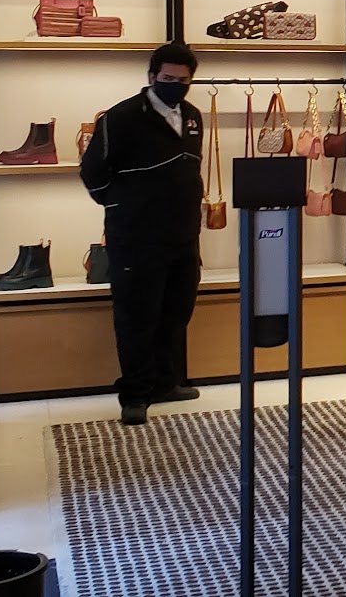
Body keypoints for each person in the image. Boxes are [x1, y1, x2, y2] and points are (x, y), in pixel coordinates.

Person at [80, 43, 206, 425]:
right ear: (152, 77)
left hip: (183, 235)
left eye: (182, 80)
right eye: (167, 78)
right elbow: (93, 171)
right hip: (135, 236)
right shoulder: (121, 117)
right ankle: (134, 395)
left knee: (176, 313)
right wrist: (123, 205)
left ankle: (165, 383)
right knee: (136, 318)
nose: (175, 85)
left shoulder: (193, 116)